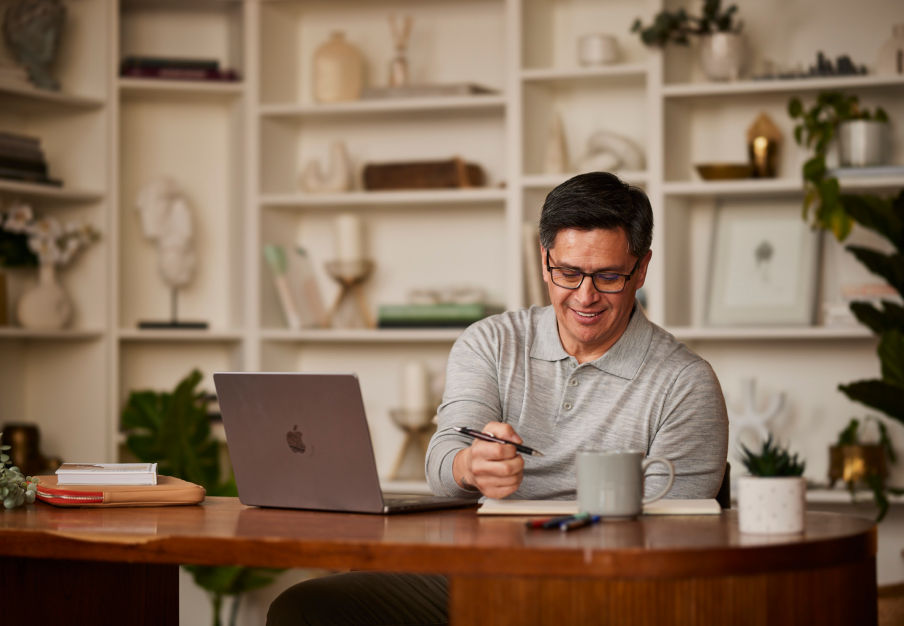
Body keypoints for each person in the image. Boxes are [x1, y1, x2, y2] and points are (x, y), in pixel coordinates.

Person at [267, 172, 728, 626]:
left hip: (601, 589)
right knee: (303, 607)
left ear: (641, 268)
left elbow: (669, 538)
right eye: (568, 273)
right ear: (543, 258)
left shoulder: (686, 384)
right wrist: (471, 464)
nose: (585, 296)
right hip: (470, 571)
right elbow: (442, 466)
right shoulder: (490, 342)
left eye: (608, 276)